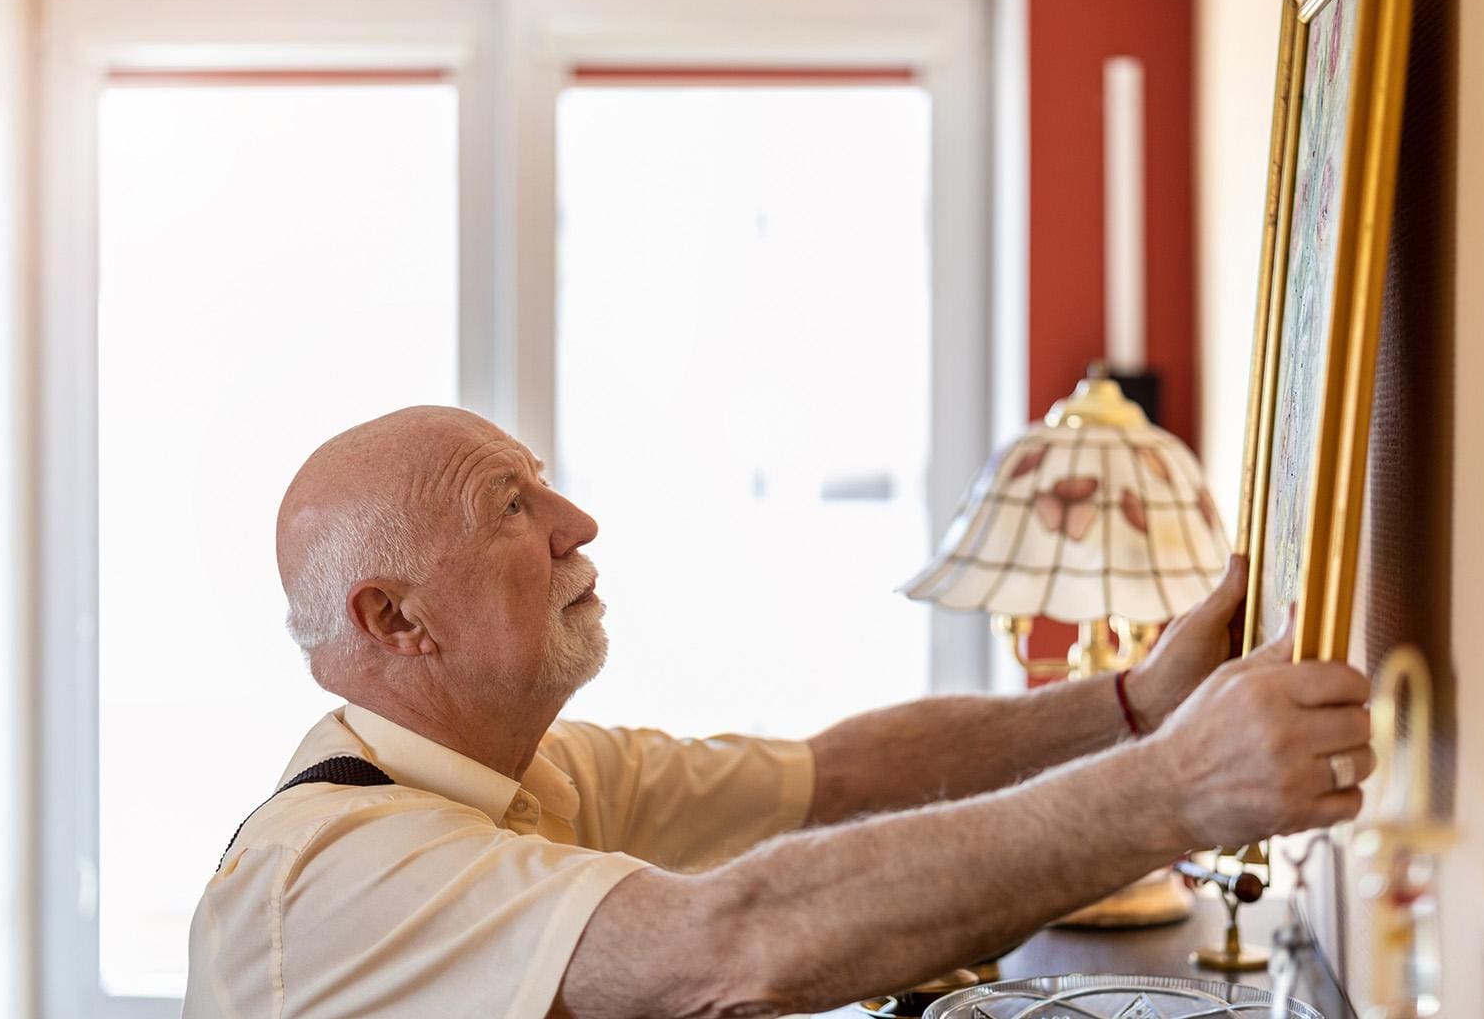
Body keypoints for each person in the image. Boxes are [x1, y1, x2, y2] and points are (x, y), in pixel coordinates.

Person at [184, 405, 1374, 1019]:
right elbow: (730, 946)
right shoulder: (329, 871)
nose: (575, 522)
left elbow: (837, 775)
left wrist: (1132, 706)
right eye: (510, 505)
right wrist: (1174, 790)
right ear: (396, 622)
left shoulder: (534, 778)